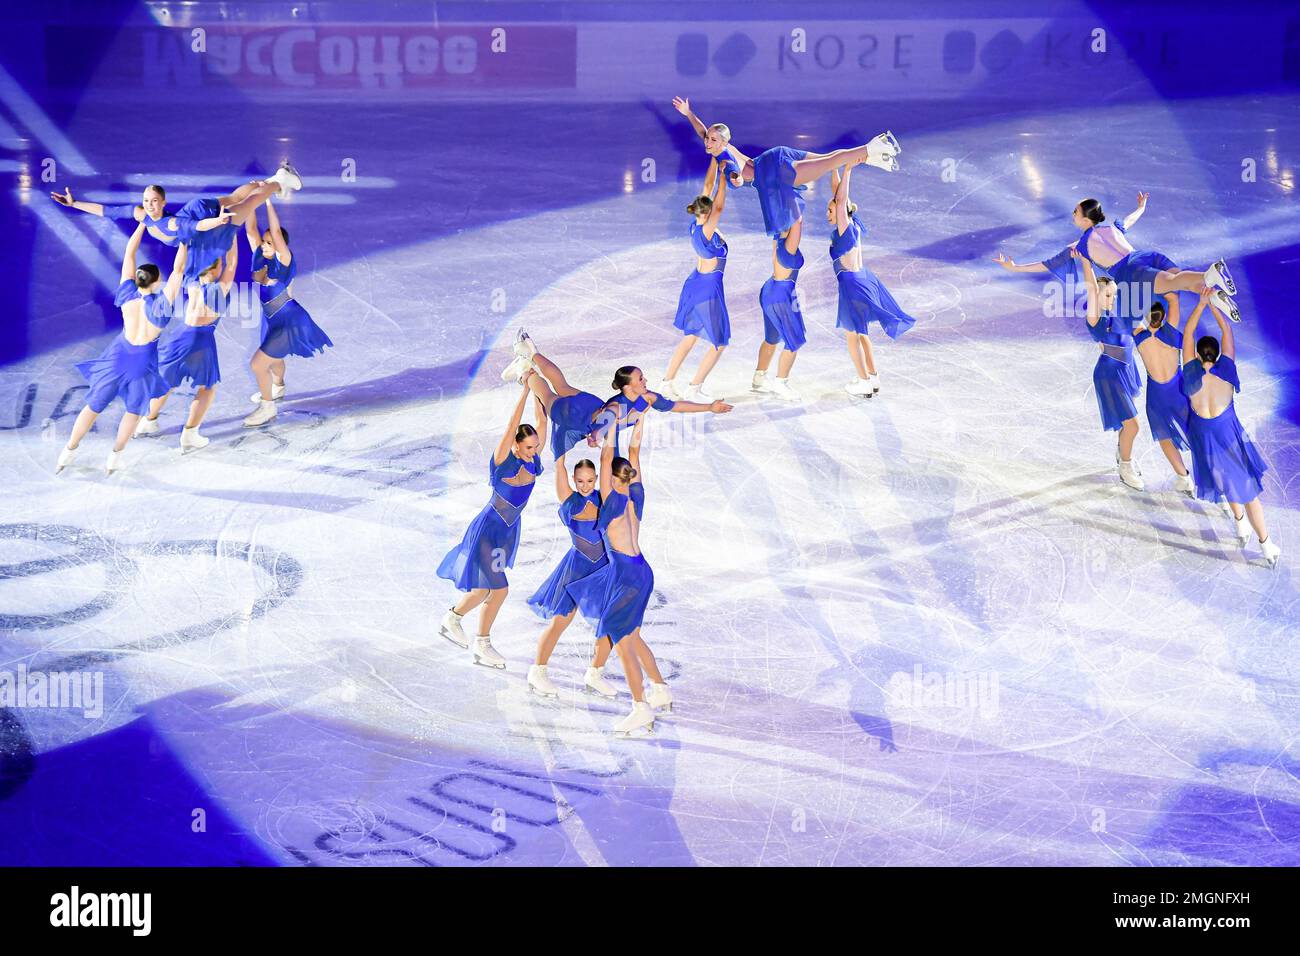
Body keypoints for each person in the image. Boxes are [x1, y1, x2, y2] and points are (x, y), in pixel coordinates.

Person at [565, 417, 672, 735]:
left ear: (612, 479)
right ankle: (660, 688)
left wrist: (611, 426)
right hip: (641, 570)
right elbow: (634, 453)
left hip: (626, 576)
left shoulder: (611, 503)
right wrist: (639, 419)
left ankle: (641, 708)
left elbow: (608, 456)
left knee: (624, 642)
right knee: (631, 636)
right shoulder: (634, 497)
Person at [55, 225, 185, 475]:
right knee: (134, 412)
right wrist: (185, 240)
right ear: (157, 283)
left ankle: (68, 450)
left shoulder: (127, 294)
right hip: (142, 362)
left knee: (93, 407)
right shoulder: (161, 304)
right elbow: (179, 270)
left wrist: (142, 225)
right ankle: (115, 457)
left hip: (118, 356)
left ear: (137, 279)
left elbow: (129, 253)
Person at [437, 377, 548, 666]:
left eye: (535, 446)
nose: (533, 451)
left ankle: (453, 619)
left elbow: (542, 420)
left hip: (506, 533)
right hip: (488, 530)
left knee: (485, 589)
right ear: (515, 445)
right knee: (499, 589)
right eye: (528, 447)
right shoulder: (503, 461)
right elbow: (512, 425)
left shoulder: (533, 460)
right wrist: (524, 391)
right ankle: (480, 642)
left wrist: (537, 385)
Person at [994, 193, 1239, 320]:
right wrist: (1142, 207)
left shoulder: (1081, 245)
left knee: (1174, 283)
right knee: (1180, 279)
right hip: (1146, 256)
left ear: (1086, 220)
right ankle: (1216, 296)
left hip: (1131, 271)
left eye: (1075, 212)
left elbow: (1048, 264)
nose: (1072, 215)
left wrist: (1015, 268)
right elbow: (1129, 220)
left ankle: (1211, 273)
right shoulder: (1111, 226)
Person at [1180, 288, 1279, 567]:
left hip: (1202, 435)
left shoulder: (1190, 372)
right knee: (1248, 493)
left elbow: (1187, 336)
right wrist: (1215, 307)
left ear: (1198, 357)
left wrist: (1199, 304)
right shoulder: (1226, 370)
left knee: (1224, 480)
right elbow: (1228, 335)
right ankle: (1266, 545)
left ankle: (1239, 525)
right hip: (1227, 434)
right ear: (1218, 355)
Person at [135, 238, 238, 451]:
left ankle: (148, 421)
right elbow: (234, 261)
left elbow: (179, 266)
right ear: (217, 267)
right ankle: (190, 434)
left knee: (169, 381)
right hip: (200, 339)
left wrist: (187, 241)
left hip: (180, 335)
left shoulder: (192, 281)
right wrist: (232, 233)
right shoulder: (220, 288)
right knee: (207, 387)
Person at [829, 161, 917, 397]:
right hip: (864, 278)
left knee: (851, 336)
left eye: (831, 210)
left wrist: (847, 170)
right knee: (862, 333)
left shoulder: (844, 226)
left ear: (839, 212)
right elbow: (840, 197)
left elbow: (839, 201)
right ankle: (873, 377)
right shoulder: (854, 223)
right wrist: (834, 167)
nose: (829, 213)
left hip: (852, 284)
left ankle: (863, 381)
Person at [243, 197, 333, 427]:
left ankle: (267, 407)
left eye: (270, 242)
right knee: (272, 358)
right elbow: (251, 228)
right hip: (272, 318)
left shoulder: (284, 260)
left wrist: (268, 200)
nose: (264, 244)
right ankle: (278, 387)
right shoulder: (261, 255)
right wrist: (252, 201)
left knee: (258, 364)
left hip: (288, 319)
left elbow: (274, 230)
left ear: (280, 244)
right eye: (264, 242)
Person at [524, 453, 608, 698]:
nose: (585, 486)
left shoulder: (603, 499)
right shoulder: (570, 501)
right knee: (560, 622)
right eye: (580, 481)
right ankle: (537, 671)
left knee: (608, 623)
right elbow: (558, 463)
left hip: (602, 570)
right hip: (576, 570)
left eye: (590, 481)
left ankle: (595, 673)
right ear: (573, 479)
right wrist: (561, 437)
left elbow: (607, 459)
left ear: (596, 479)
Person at [661, 157, 731, 403]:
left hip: (696, 284)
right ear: (709, 213)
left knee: (690, 336)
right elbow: (719, 206)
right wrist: (725, 178)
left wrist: (715, 160)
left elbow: (706, 189)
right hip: (708, 289)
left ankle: (668, 382)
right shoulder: (706, 231)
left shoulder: (695, 225)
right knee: (719, 342)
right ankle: (694, 387)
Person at [1077, 252, 1145, 489]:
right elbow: (1091, 286)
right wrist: (1085, 258)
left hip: (1126, 369)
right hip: (1110, 375)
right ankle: (1125, 466)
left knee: (1128, 423)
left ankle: (1122, 452)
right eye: (1107, 294)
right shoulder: (1095, 316)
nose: (1111, 298)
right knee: (1133, 425)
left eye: (1114, 294)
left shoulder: (1118, 312)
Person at [752, 217, 805, 401]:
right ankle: (781, 383)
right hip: (782, 295)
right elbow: (798, 223)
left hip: (769, 289)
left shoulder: (778, 237)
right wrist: (794, 204)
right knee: (794, 340)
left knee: (771, 338)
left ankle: (759, 377)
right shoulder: (789, 246)